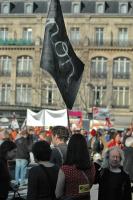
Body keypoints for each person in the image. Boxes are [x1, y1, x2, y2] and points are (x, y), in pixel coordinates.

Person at [55, 134, 95, 200]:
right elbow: (89, 186)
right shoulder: (91, 166)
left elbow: (58, 194)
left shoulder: (65, 169)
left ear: (70, 148)